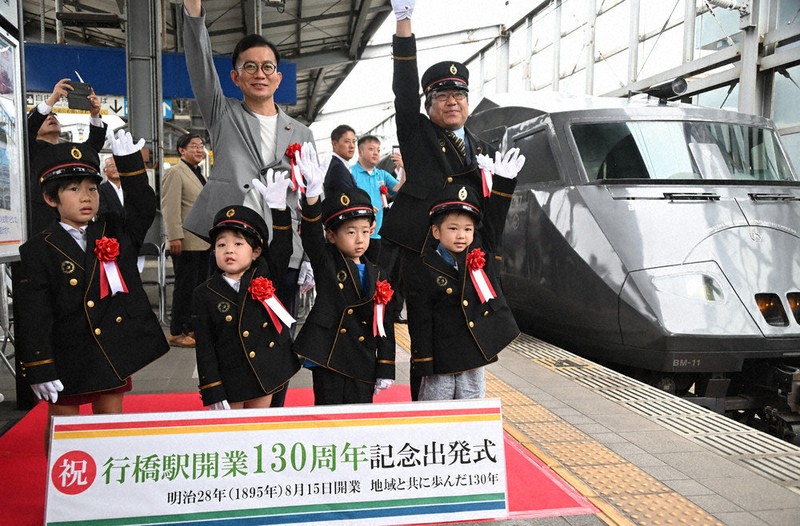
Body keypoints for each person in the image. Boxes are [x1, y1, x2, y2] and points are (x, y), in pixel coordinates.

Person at [382, 0, 499, 399]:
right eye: (443, 95)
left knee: (467, 333)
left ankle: (467, 416)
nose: (452, 101)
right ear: (428, 104)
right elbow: (402, 89)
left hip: (467, 254)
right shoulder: (417, 134)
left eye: (459, 95)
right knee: (426, 340)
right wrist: (404, 24)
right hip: (421, 251)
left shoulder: (483, 148)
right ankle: (425, 415)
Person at [14, 131, 170, 424]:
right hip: (67, 352)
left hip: (109, 350)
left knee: (110, 423)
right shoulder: (38, 248)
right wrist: (39, 366)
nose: (86, 197)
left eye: (92, 189)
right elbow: (34, 315)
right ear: (51, 198)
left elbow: (142, 207)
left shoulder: (114, 231)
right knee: (63, 425)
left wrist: (131, 166)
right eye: (74, 189)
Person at [180, 0, 314, 310]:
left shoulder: (302, 133)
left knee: (279, 334)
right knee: (228, 329)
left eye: (268, 67)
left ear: (278, 77)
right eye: (249, 66)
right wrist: (193, 12)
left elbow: (309, 198)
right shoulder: (223, 114)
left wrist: (309, 255)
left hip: (285, 248)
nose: (259, 73)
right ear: (235, 77)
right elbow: (200, 66)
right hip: (233, 244)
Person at [405, 149, 524, 401]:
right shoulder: (423, 266)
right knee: (436, 416)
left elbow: (493, 224)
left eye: (468, 229)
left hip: (472, 353)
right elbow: (420, 319)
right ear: (436, 232)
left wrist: (502, 184)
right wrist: (423, 361)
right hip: (441, 359)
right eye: (453, 228)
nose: (461, 235)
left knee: (473, 411)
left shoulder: (479, 253)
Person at [292, 145, 396, 405]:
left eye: (364, 231)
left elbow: (386, 324)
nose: (360, 239)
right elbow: (312, 238)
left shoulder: (378, 272)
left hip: (363, 357)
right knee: (327, 416)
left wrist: (385, 365)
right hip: (329, 353)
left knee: (360, 419)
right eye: (350, 232)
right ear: (332, 236)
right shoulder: (326, 260)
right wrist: (312, 197)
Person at [192, 170, 300, 409]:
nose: (229, 250)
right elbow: (205, 348)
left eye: (239, 243)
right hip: (230, 377)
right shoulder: (205, 292)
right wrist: (212, 389)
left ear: (256, 252)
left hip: (265, 373)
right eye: (221, 244)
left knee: (258, 432)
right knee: (231, 439)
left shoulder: (265, 275)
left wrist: (280, 211)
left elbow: (282, 249)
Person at [27, 78, 107, 235]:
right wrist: (52, 100)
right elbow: (27, 130)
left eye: (54, 115)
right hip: (42, 223)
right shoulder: (31, 148)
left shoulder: (69, 151)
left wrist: (95, 114)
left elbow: (92, 148)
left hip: (74, 225)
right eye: (45, 116)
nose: (51, 117)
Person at [161, 133, 211, 348]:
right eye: (194, 146)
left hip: (203, 241)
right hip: (186, 240)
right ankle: (177, 331)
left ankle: (191, 327)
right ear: (181, 150)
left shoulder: (199, 173)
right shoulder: (175, 172)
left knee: (197, 287)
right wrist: (174, 236)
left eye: (202, 146)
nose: (200, 150)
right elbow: (169, 207)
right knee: (184, 287)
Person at [350, 135, 403, 263]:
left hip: (376, 234)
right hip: (356, 235)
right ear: (360, 151)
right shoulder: (350, 172)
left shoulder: (381, 174)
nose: (376, 153)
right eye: (371, 149)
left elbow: (400, 188)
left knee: (374, 270)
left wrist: (403, 167)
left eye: (378, 150)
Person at [323, 124, 357, 198]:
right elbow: (350, 198)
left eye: (354, 142)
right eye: (347, 141)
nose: (352, 146)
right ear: (334, 144)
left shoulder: (340, 165)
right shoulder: (338, 168)